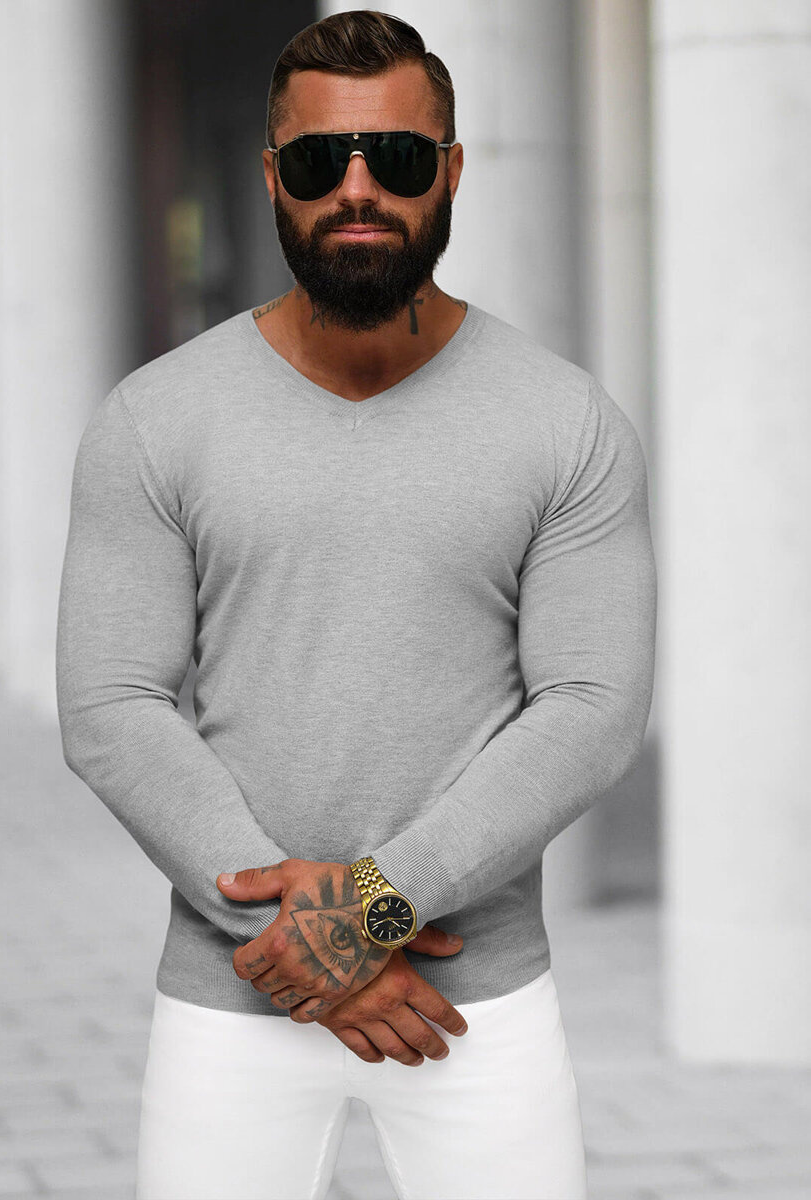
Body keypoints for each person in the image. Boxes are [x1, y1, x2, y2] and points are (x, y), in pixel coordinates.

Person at [56, 10, 656, 1200]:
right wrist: (297, 943)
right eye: (323, 159)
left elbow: (591, 708)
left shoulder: (566, 421)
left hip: (474, 1003)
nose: (360, 188)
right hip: (235, 1001)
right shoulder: (155, 420)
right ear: (272, 173)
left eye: (400, 156)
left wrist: (366, 914)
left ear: (453, 169)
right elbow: (110, 705)